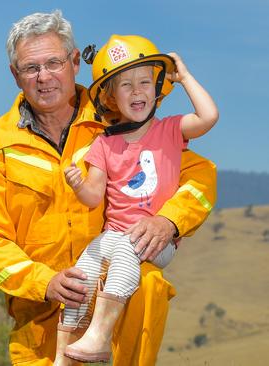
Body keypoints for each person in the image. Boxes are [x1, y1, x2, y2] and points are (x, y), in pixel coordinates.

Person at [0, 10, 216, 366]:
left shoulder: (119, 121)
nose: (44, 77)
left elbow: (199, 175)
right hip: (43, 320)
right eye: (31, 68)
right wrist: (45, 282)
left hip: (124, 309)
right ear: (14, 75)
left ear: (74, 62)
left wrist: (169, 221)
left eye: (54, 62)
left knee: (145, 282)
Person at [60, 35, 218, 363]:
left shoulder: (171, 130)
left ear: (158, 88)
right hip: (115, 236)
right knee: (82, 272)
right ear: (111, 97)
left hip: (155, 243)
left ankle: (99, 337)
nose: (137, 91)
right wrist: (77, 185)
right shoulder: (103, 145)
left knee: (122, 249)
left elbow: (209, 116)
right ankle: (64, 357)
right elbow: (92, 197)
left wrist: (185, 77)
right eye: (126, 85)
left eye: (145, 82)